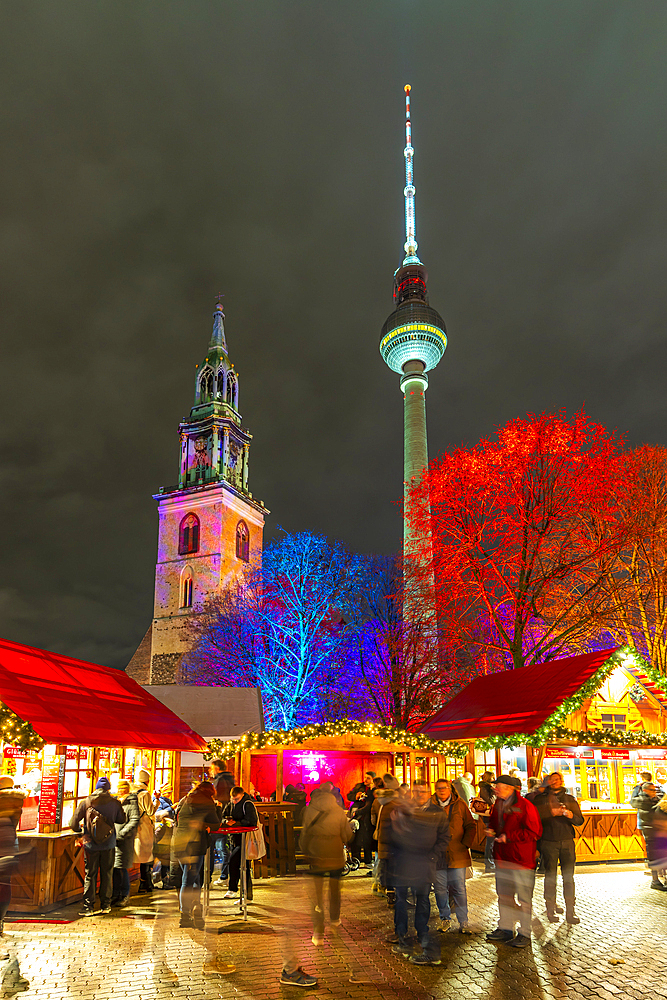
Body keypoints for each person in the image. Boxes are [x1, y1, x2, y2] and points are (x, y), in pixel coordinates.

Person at [387, 780, 448, 966]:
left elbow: (444, 837)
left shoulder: (437, 813)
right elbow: (395, 835)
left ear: (430, 793)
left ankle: (423, 938)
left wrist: (432, 857)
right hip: (404, 864)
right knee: (401, 901)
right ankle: (402, 935)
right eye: (416, 791)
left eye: (423, 792)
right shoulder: (405, 810)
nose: (419, 795)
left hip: (423, 865)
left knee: (422, 901)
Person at [485, 774, 542, 948]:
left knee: (524, 899)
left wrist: (508, 837)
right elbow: (495, 824)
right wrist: (491, 830)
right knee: (504, 896)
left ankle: (525, 933)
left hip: (521, 861)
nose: (495, 788)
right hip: (503, 859)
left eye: (499, 785)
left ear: (510, 788)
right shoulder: (498, 804)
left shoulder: (525, 806)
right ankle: (506, 928)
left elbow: (534, 832)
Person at [300, 782, 353, 944]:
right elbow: (347, 835)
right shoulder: (338, 810)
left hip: (317, 855)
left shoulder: (309, 810)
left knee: (317, 894)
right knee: (335, 889)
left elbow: (304, 833)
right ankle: (335, 919)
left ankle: (318, 932)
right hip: (335, 855)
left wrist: (306, 850)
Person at [532, 771, 583, 923]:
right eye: (552, 779)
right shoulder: (540, 799)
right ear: (547, 782)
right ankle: (550, 909)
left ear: (561, 781)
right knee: (550, 877)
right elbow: (534, 818)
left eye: (558, 779)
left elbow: (580, 820)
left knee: (568, 877)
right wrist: (550, 812)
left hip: (567, 841)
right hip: (548, 841)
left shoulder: (569, 799)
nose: (555, 782)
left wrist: (570, 815)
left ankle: (570, 911)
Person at [70, 777, 126, 916]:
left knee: (90, 874)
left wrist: (81, 832)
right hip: (109, 844)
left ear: (95, 788)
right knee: (107, 874)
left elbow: (73, 823)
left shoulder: (87, 802)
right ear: (108, 789)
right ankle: (105, 905)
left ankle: (88, 907)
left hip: (91, 844)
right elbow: (122, 819)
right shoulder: (114, 802)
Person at [426, 779, 476, 933]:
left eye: (444, 788)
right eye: (438, 788)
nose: (441, 790)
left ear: (450, 789)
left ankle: (463, 921)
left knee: (459, 888)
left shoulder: (460, 805)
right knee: (440, 889)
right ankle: (445, 918)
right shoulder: (430, 806)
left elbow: (470, 825)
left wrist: (464, 844)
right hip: (438, 855)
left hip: (457, 853)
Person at [172, 780, 222, 927]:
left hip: (180, 843)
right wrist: (217, 808)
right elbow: (216, 824)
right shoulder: (206, 802)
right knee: (188, 881)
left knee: (193, 879)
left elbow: (176, 816)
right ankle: (185, 915)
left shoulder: (186, 799)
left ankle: (195, 907)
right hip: (193, 845)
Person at [223, 785, 258, 901]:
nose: (234, 801)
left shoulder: (247, 804)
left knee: (236, 863)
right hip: (235, 838)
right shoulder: (231, 804)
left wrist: (237, 823)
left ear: (242, 795)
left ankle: (233, 889)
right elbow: (223, 815)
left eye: (236, 799)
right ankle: (246, 895)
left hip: (245, 839)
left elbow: (252, 821)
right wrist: (226, 821)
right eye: (232, 799)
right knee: (243, 866)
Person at [0, 776, 25, 937]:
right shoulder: (17, 803)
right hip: (10, 850)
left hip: (4, 850)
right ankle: (1, 919)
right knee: (4, 886)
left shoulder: (4, 804)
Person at [111, 780, 140, 907]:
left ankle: (124, 895)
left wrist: (122, 834)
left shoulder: (131, 802)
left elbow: (134, 820)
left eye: (122, 788)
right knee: (115, 869)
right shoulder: (116, 801)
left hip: (124, 840)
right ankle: (116, 894)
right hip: (113, 839)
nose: (119, 790)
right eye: (118, 788)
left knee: (122, 868)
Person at [635, 782, 667, 891]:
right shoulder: (642, 801)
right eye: (652, 790)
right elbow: (650, 815)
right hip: (651, 832)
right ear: (645, 790)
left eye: (655, 790)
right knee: (655, 857)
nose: (654, 792)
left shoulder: (655, 799)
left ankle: (660, 879)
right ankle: (655, 881)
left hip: (657, 832)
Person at [208, 763, 234, 884]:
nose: (210, 770)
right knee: (223, 847)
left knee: (218, 848)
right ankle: (225, 876)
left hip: (218, 816)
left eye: (212, 768)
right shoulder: (229, 779)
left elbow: (216, 796)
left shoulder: (220, 780)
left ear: (217, 769)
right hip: (226, 816)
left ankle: (218, 877)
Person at [133, 769, 158, 895]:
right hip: (144, 828)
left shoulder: (131, 791)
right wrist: (156, 800)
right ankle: (145, 882)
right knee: (146, 856)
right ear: (147, 780)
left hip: (133, 828)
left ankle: (145, 882)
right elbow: (151, 811)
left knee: (139, 856)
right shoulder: (144, 794)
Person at [471, 771, 496, 875]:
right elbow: (490, 801)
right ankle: (489, 864)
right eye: (493, 777)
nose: (494, 778)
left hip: (490, 817)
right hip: (488, 817)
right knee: (490, 841)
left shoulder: (485, 787)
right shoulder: (485, 788)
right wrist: (494, 792)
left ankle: (491, 863)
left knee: (492, 841)